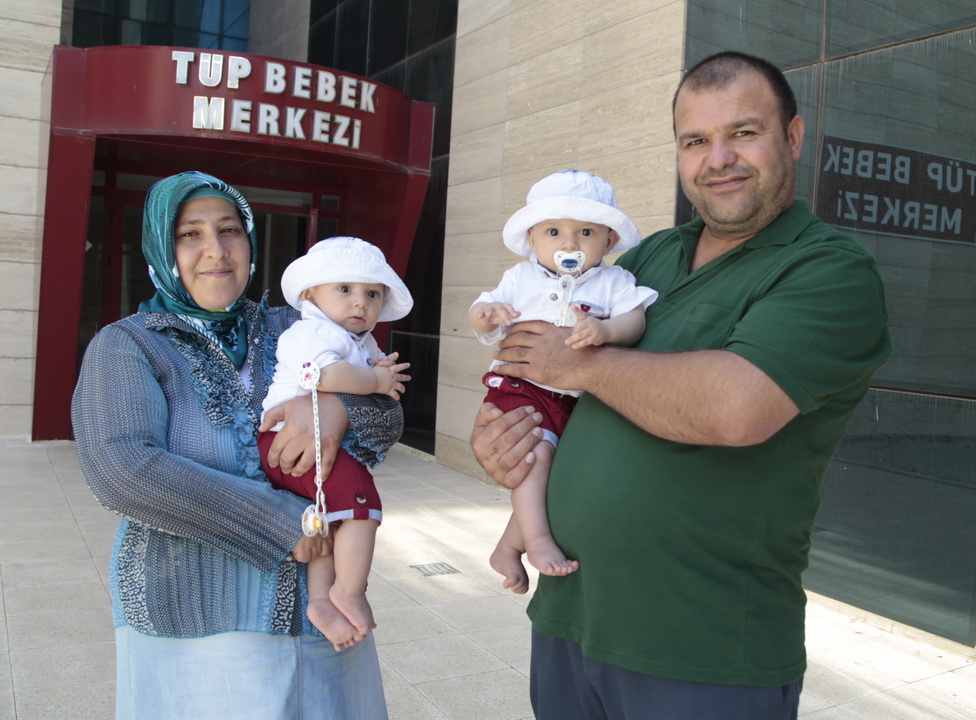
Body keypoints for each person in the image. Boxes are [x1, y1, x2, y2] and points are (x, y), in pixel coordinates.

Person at [470, 51, 891, 719]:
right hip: (570, 617)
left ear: (793, 137)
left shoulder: (828, 270)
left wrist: (579, 366)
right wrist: (505, 438)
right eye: (695, 141)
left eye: (743, 133)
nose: (718, 158)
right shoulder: (650, 257)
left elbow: (735, 408)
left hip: (701, 650)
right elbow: (544, 374)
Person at [72, 171, 394, 719]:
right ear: (161, 246)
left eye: (229, 230)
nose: (216, 251)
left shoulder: (295, 323)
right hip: (195, 611)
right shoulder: (128, 345)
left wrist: (336, 409)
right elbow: (123, 471)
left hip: (322, 616)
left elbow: (387, 412)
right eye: (189, 234)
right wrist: (283, 523)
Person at [469, 170, 658, 592]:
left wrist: (606, 330)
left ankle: (507, 546)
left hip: (575, 398)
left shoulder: (614, 282)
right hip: (519, 386)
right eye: (554, 232)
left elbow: (635, 320)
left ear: (609, 240)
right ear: (532, 239)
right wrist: (486, 316)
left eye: (585, 232)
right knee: (535, 457)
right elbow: (484, 312)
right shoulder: (520, 278)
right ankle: (537, 542)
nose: (569, 244)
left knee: (554, 469)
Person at [259, 236, 413, 651]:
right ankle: (349, 590)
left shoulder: (361, 341)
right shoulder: (310, 332)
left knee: (336, 520)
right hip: (286, 441)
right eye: (344, 289)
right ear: (311, 294)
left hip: (322, 442)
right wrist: (376, 381)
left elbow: (379, 402)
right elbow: (324, 376)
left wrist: (380, 373)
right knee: (362, 505)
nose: (360, 301)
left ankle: (321, 601)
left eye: (372, 293)